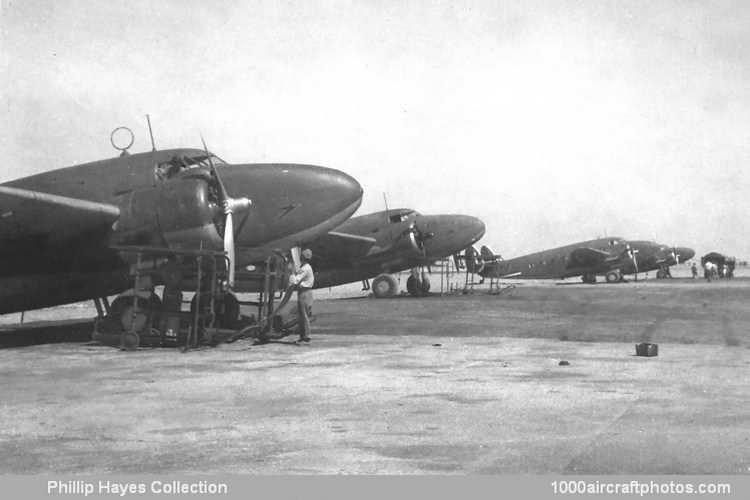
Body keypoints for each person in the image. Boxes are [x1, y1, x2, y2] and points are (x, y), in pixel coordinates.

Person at [289, 248, 314, 342]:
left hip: (304, 293)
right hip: (305, 293)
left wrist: (291, 273)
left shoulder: (305, 268)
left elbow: (295, 281)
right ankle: (303, 335)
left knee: (304, 316)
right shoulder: (306, 267)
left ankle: (305, 335)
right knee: (302, 315)